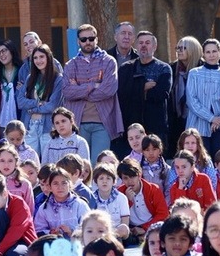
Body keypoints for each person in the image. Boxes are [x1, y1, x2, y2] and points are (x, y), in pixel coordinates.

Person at [58, 25, 122, 160]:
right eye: (84, 39)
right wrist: (92, 86)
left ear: (97, 39)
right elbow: (67, 92)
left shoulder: (109, 61)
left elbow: (108, 90)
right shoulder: (70, 65)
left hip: (102, 123)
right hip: (77, 123)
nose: (87, 42)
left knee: (99, 165)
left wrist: (79, 89)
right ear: (78, 42)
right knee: (80, 166)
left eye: (91, 38)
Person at [116, 31, 173, 158]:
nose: (143, 46)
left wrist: (135, 90)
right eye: (140, 43)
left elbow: (161, 94)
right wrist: (143, 87)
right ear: (136, 46)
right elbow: (122, 94)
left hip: (156, 125)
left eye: (147, 43)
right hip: (132, 126)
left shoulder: (163, 68)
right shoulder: (126, 68)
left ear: (154, 46)